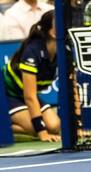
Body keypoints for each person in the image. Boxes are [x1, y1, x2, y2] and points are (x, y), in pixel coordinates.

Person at [4, 12, 72, 142]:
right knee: (35, 127)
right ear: (52, 33)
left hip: (24, 94)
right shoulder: (32, 52)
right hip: (7, 93)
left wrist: (78, 128)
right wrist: (42, 132)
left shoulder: (65, 50)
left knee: (54, 126)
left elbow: (72, 90)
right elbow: (30, 97)